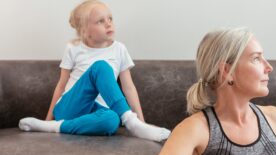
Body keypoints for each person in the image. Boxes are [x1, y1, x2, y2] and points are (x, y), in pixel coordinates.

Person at [136, 27, 276, 155]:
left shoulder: (273, 117)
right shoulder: (196, 129)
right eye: (256, 58)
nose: (268, 66)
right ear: (227, 71)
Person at [18, 0, 170, 142]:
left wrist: (142, 122)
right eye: (100, 21)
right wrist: (48, 118)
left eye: (110, 18)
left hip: (95, 114)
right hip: (70, 109)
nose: (108, 24)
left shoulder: (119, 49)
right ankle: (130, 121)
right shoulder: (74, 48)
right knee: (101, 67)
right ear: (85, 30)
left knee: (112, 120)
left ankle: (55, 128)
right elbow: (61, 85)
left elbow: (129, 88)